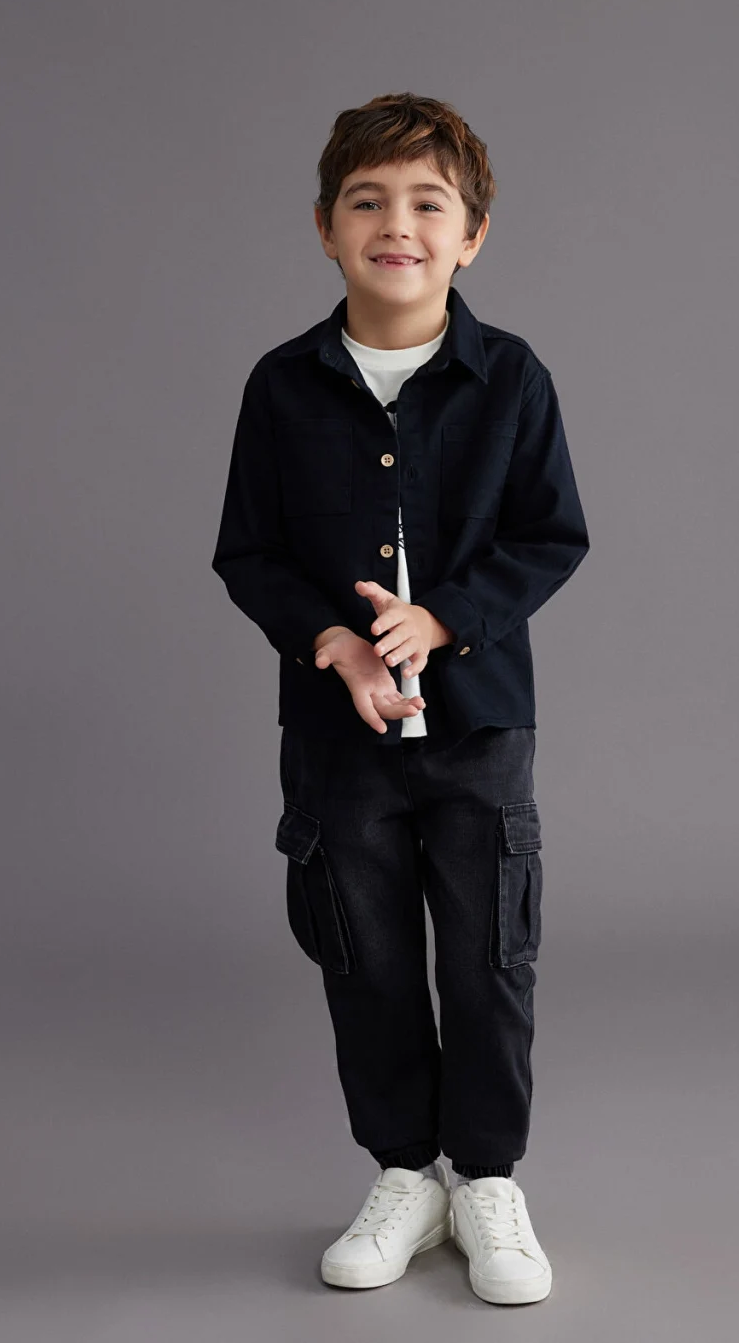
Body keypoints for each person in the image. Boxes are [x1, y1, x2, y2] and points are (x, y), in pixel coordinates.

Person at [211, 92, 589, 1306]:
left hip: (479, 728)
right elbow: (248, 552)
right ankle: (404, 1174)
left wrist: (443, 620)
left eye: (429, 203)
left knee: (488, 961)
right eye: (367, 201)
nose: (397, 225)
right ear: (326, 227)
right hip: (338, 740)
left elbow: (551, 536)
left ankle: (486, 1181)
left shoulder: (511, 377)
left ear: (470, 236)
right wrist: (332, 640)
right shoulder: (282, 386)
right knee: (364, 959)